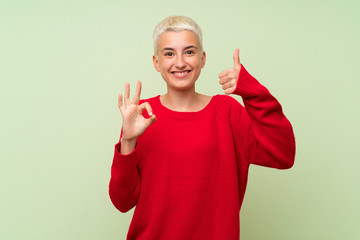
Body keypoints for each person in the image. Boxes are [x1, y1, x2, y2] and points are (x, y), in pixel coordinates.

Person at [109, 15, 295, 240]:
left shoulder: (227, 112)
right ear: (156, 62)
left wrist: (252, 92)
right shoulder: (141, 116)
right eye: (169, 53)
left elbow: (283, 154)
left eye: (189, 51)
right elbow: (122, 202)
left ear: (202, 58)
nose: (180, 62)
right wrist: (128, 141)